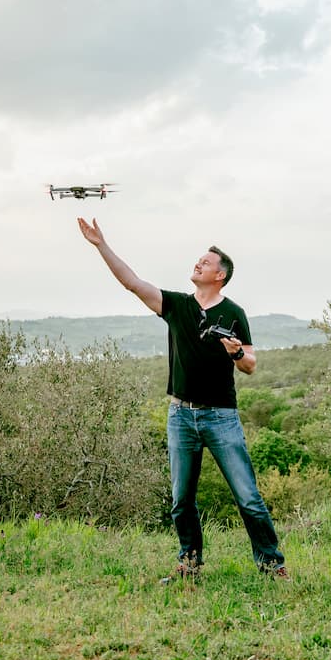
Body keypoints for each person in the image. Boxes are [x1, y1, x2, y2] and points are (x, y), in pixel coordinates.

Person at [76, 218, 288, 582]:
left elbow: (251, 365)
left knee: (248, 497)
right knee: (181, 502)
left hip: (221, 417)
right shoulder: (176, 305)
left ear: (219, 276)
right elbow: (132, 282)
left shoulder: (233, 314)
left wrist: (236, 353)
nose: (198, 264)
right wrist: (101, 245)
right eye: (198, 260)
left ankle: (272, 566)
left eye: (206, 262)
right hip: (180, 416)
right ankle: (189, 565)